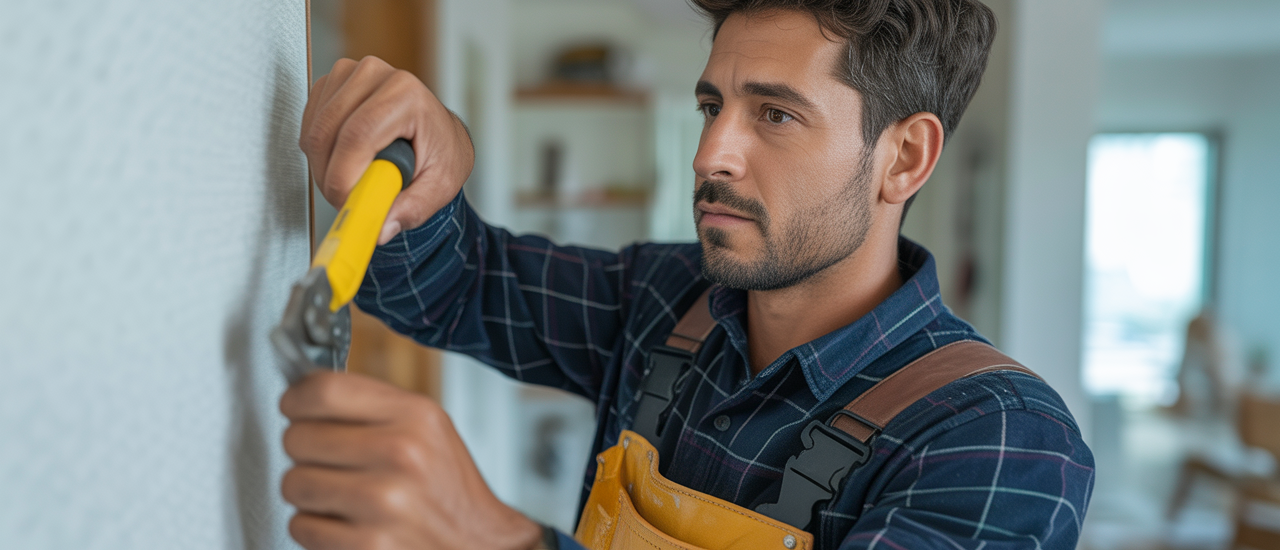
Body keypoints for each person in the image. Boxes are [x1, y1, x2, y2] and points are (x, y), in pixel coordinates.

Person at [277, 0, 1095, 548]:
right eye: (712, 107)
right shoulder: (664, 300)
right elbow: (459, 284)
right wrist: (422, 175)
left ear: (904, 157)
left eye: (775, 114)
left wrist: (499, 540)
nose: (711, 155)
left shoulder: (999, 441)